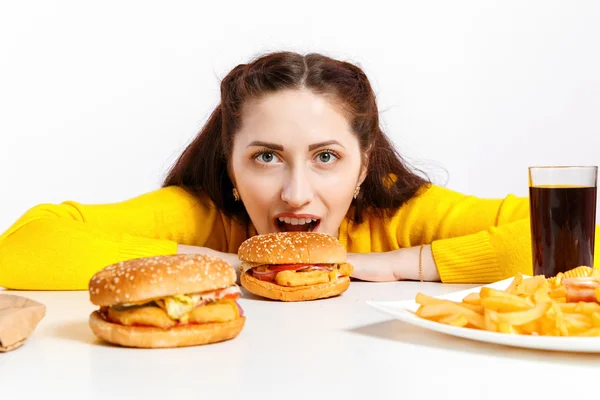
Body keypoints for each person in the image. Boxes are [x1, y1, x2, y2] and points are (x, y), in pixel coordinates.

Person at [0, 51, 580, 291]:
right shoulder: (203, 215)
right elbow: (24, 244)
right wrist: (222, 265)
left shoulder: (401, 211)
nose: (295, 193)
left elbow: (577, 243)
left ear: (363, 165)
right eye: (266, 157)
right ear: (230, 163)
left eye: (326, 157)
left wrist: (376, 265)